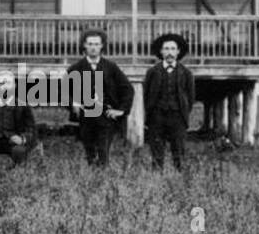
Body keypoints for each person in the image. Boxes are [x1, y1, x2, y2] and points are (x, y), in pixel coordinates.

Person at [68, 29, 133, 167]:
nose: (93, 47)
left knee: (103, 151)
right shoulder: (75, 68)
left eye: (97, 44)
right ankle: (93, 181)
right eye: (90, 44)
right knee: (90, 152)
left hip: (105, 116)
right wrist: (72, 103)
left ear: (102, 46)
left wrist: (121, 110)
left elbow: (127, 89)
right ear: (84, 45)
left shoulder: (111, 67)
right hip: (85, 116)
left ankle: (103, 178)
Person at [144, 33, 195, 171]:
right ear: (161, 51)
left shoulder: (186, 73)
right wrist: (152, 113)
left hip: (177, 117)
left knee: (179, 152)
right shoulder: (152, 72)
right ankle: (156, 181)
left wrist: (182, 112)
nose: (169, 52)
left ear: (178, 52)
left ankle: (179, 180)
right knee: (157, 152)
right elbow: (146, 95)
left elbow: (190, 98)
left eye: (173, 49)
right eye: (166, 49)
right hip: (157, 117)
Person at [0, 70, 36, 165]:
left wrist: (22, 139)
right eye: (1, 83)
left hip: (13, 141)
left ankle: (18, 174)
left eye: (8, 83)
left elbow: (31, 129)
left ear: (14, 86)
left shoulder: (23, 107)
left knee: (19, 151)